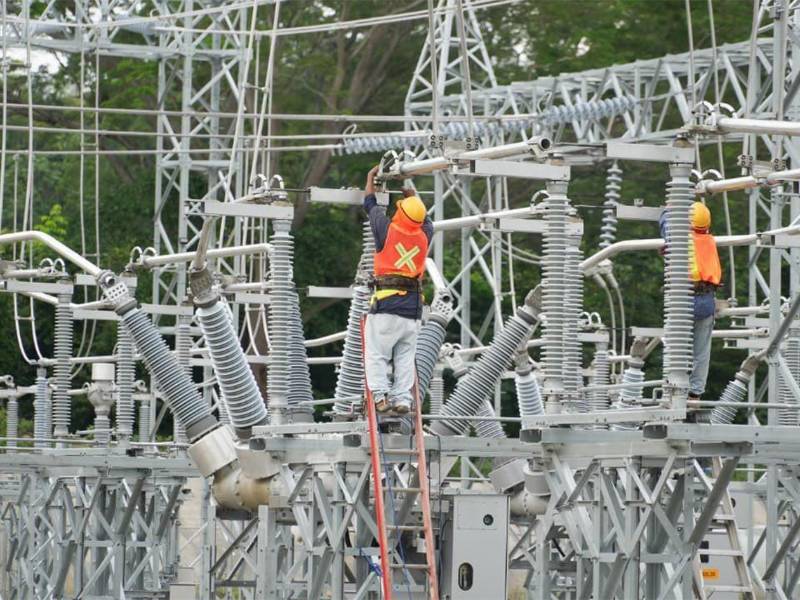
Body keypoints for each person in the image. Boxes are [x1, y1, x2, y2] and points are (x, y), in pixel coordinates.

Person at [362, 166, 433, 414]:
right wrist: (410, 190)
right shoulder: (425, 235)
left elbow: (370, 203)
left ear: (400, 212)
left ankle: (380, 397)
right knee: (404, 357)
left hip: (386, 303)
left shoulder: (387, 229)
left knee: (377, 354)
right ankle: (403, 399)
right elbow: (426, 218)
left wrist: (371, 179)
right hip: (413, 308)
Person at [660, 201, 722, 400]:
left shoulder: (680, 237)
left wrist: (668, 207)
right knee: (701, 351)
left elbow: (665, 222)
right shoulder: (709, 240)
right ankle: (695, 394)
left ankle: (672, 389)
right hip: (706, 299)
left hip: (683, 298)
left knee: (673, 344)